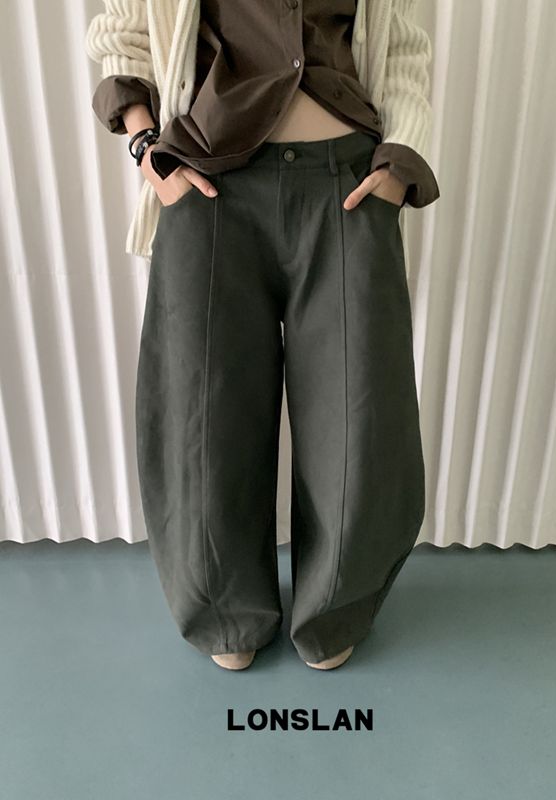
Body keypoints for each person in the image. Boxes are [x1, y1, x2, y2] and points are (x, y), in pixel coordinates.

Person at [85, 0, 440, 672]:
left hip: (348, 186)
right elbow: (122, 40)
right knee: (203, 415)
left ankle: (335, 607)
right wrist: (145, 148)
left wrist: (398, 168)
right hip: (206, 186)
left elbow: (403, 52)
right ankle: (224, 610)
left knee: (358, 415)